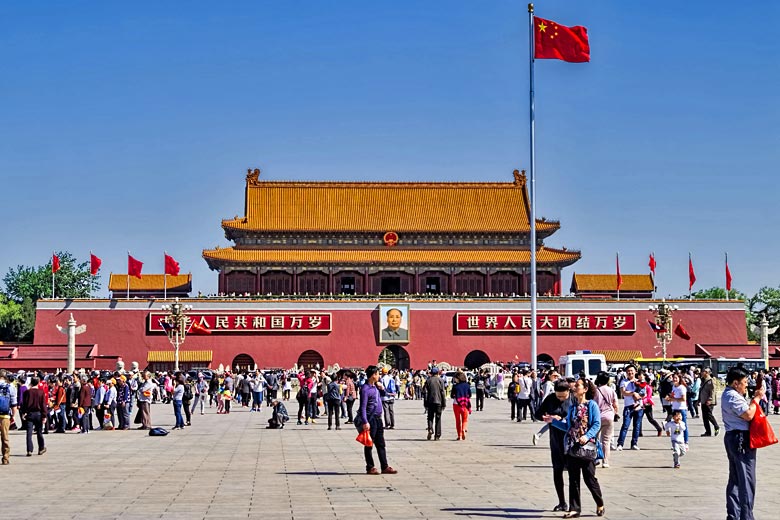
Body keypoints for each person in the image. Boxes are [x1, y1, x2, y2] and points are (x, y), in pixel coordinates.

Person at [548, 377, 605, 518]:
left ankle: (599, 502)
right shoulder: (573, 407)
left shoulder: (592, 405)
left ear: (585, 389)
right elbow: (568, 427)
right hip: (572, 447)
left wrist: (587, 436)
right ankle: (575, 509)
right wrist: (552, 421)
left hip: (588, 447)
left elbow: (597, 424)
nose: (574, 387)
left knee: (589, 479)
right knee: (573, 479)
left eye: (577, 385)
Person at [722, 366, 764, 520]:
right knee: (746, 479)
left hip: (734, 437)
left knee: (736, 479)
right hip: (740, 438)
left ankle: (734, 514)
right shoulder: (732, 396)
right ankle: (746, 516)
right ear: (735, 383)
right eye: (744, 382)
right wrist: (757, 399)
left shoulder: (730, 394)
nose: (747, 385)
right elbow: (748, 414)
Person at [535, 379, 571, 512]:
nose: (561, 399)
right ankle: (562, 502)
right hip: (555, 440)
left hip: (570, 440)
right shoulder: (550, 399)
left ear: (568, 391)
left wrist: (561, 419)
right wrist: (546, 416)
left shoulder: (573, 399)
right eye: (558, 396)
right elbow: (538, 413)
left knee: (573, 473)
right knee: (557, 471)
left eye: (563, 396)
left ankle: (574, 504)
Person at [357, 365, 397, 475]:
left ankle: (384, 466)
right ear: (373, 375)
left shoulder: (375, 387)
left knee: (381, 444)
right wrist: (365, 421)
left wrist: (382, 388)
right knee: (369, 444)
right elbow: (363, 407)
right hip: (371, 420)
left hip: (379, 419)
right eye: (378, 374)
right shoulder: (365, 389)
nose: (379, 375)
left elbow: (384, 395)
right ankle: (370, 467)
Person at [592, 372, 618, 468]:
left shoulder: (595, 391)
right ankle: (605, 461)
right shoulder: (611, 390)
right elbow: (615, 404)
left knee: (594, 439)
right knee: (606, 440)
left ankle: (595, 458)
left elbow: (592, 404)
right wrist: (615, 413)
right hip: (609, 416)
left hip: (597, 417)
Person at [616, 365, 643, 451]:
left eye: (632, 371)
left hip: (638, 406)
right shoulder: (624, 381)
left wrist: (639, 395)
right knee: (625, 425)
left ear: (635, 371)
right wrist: (633, 393)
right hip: (628, 406)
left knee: (637, 426)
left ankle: (634, 443)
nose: (630, 372)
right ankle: (620, 444)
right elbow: (623, 392)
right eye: (628, 371)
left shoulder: (640, 381)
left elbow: (644, 393)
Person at [21, 376, 48, 457]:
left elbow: (24, 404)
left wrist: (24, 413)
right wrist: (44, 416)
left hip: (30, 414)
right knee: (39, 432)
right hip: (38, 414)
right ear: (38, 383)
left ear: (31, 382)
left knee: (29, 433)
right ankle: (41, 448)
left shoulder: (27, 392)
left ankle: (29, 450)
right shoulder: (41, 392)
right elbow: (43, 405)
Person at [0, 369, 19, 465]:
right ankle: (5, 458)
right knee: (5, 438)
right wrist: (13, 416)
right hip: (5, 415)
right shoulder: (10, 387)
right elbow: (14, 404)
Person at [423, 367, 446, 440]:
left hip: (430, 402)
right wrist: (444, 403)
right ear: (438, 373)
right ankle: (437, 435)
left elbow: (425, 392)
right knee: (438, 418)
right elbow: (442, 392)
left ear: (431, 373)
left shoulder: (428, 380)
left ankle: (430, 429)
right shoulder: (440, 380)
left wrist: (425, 403)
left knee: (430, 417)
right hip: (439, 402)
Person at [668, 373, 689, 446]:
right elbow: (673, 396)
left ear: (679, 379)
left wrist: (673, 399)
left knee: (683, 425)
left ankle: (686, 442)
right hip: (674, 408)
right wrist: (670, 398)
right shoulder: (673, 386)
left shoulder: (682, 387)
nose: (674, 379)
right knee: (676, 426)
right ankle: (676, 441)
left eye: (676, 378)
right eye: (673, 378)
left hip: (681, 409)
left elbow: (683, 399)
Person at [450, 372, 471, 440]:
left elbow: (452, 396)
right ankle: (464, 429)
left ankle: (459, 435)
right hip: (465, 404)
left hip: (456, 405)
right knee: (465, 419)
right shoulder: (467, 385)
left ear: (458, 378)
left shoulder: (455, 386)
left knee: (458, 420)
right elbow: (469, 395)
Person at [699, 367, 720, 436]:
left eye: (704, 371)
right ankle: (708, 432)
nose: (702, 373)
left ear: (707, 373)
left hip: (709, 401)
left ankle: (716, 426)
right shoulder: (703, 380)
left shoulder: (711, 380)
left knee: (709, 415)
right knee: (704, 417)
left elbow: (713, 391)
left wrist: (710, 399)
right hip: (703, 400)